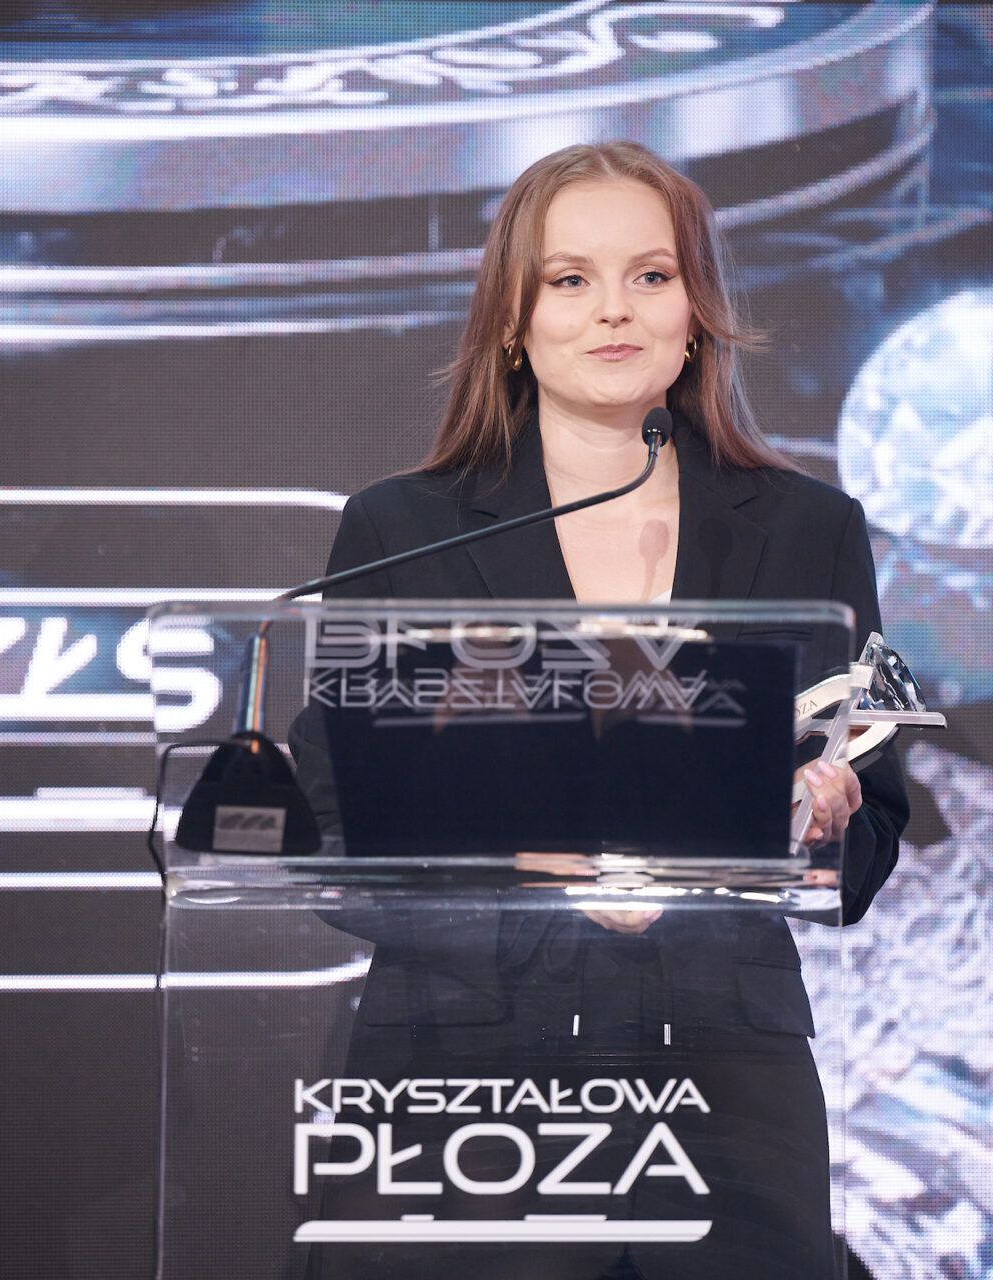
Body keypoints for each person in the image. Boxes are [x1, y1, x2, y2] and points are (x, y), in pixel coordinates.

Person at [300, 141, 909, 1280]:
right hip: (469, 1077)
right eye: (570, 279)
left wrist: (824, 826)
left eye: (652, 275)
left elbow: (873, 833)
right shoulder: (401, 530)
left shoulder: (808, 529)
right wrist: (535, 879)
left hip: (726, 1085)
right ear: (513, 320)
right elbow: (339, 833)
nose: (614, 310)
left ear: (697, 311)